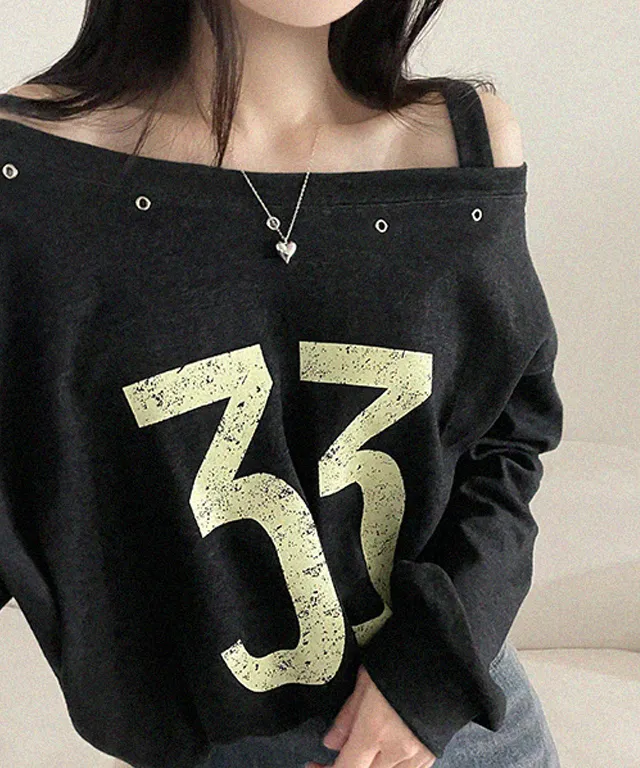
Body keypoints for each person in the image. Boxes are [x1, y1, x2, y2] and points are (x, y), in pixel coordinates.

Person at [0, 1, 563, 767]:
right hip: (222, 742)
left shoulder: (462, 145)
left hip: (458, 726)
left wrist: (427, 680)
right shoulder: (31, 174)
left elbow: (507, 439)